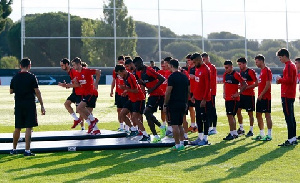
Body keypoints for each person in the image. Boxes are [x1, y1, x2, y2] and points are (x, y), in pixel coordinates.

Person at [9, 58, 46, 156]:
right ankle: (27, 150)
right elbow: (37, 91)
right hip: (30, 104)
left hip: (18, 104)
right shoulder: (32, 77)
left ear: (20, 66)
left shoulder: (15, 77)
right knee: (29, 127)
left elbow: (11, 91)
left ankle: (13, 149)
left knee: (17, 127)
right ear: (29, 66)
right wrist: (42, 105)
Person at [133, 56, 167, 143]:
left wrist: (152, 89)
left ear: (141, 63)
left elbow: (162, 79)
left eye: (137, 65)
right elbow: (146, 82)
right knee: (148, 115)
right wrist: (143, 84)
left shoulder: (149, 70)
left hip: (158, 94)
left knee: (146, 112)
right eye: (135, 66)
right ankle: (155, 136)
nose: (136, 67)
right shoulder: (138, 72)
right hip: (152, 95)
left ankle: (161, 126)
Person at [115, 64, 150, 141]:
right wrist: (126, 91)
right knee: (122, 114)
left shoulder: (131, 77)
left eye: (119, 73)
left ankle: (146, 135)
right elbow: (130, 88)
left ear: (123, 71)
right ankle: (133, 129)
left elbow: (136, 90)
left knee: (135, 118)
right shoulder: (125, 77)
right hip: (132, 99)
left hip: (138, 99)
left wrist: (124, 88)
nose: (119, 75)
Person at [163, 59, 189, 151]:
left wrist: (165, 104)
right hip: (183, 103)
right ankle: (181, 144)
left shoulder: (172, 77)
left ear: (171, 65)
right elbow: (188, 91)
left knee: (174, 125)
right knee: (180, 124)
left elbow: (168, 92)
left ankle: (177, 144)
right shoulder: (184, 76)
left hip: (174, 103)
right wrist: (186, 102)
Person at [71, 57, 101, 135]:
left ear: (78, 64)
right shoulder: (76, 73)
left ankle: (93, 122)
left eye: (74, 65)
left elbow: (98, 71)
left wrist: (96, 83)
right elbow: (78, 84)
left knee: (80, 108)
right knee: (82, 110)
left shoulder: (86, 71)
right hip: (86, 94)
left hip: (92, 93)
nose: (73, 67)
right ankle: (95, 128)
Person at [276, 48, 298, 146]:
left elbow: (289, 80)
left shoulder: (289, 65)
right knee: (291, 117)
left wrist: (280, 80)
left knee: (289, 117)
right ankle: (293, 138)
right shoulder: (290, 65)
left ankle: (291, 139)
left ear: (285, 56)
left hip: (287, 94)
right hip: (289, 94)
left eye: (280, 57)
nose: (280, 59)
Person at [189, 53, 212, 146]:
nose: (194, 64)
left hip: (204, 100)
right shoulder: (197, 69)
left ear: (199, 60)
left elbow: (208, 86)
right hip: (197, 98)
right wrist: (194, 95)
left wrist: (204, 99)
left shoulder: (206, 69)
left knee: (204, 118)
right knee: (198, 118)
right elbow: (197, 84)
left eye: (194, 62)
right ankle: (200, 137)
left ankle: (205, 139)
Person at [223, 60, 247, 140]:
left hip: (234, 99)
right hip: (228, 98)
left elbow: (244, 84)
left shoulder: (236, 74)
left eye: (227, 67)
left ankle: (232, 133)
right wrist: (224, 93)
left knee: (231, 116)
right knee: (230, 116)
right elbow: (224, 84)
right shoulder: (225, 75)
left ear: (231, 67)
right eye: (225, 68)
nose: (226, 69)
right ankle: (234, 133)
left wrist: (239, 93)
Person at [58, 58, 84, 130]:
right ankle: (76, 120)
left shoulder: (73, 71)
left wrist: (66, 85)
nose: (61, 67)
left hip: (79, 92)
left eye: (62, 65)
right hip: (75, 92)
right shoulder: (70, 72)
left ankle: (83, 127)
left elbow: (78, 84)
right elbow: (74, 83)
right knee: (67, 104)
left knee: (80, 110)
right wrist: (67, 85)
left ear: (66, 64)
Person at [252, 54, 273, 141]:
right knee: (258, 115)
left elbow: (268, 84)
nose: (256, 63)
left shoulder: (267, 70)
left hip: (265, 97)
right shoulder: (262, 71)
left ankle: (269, 135)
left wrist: (261, 95)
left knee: (267, 115)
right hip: (260, 97)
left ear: (261, 61)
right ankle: (261, 134)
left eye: (257, 62)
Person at [236, 57, 258, 137]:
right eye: (238, 65)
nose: (239, 66)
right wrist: (240, 87)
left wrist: (246, 87)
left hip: (250, 95)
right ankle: (241, 129)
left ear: (245, 63)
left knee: (250, 113)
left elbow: (256, 83)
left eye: (240, 64)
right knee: (238, 110)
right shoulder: (241, 72)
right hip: (242, 95)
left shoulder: (250, 71)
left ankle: (251, 130)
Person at [110, 56, 129, 132]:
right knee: (119, 110)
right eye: (120, 62)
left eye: (122, 62)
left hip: (126, 93)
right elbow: (114, 80)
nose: (121, 63)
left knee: (127, 111)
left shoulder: (127, 71)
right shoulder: (115, 71)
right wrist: (111, 90)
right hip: (118, 92)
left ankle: (127, 126)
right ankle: (121, 126)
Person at [202, 52, 218, 135]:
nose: (203, 61)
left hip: (211, 92)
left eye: (204, 59)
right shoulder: (203, 68)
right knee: (207, 110)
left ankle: (214, 128)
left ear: (208, 58)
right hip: (206, 92)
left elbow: (211, 80)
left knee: (212, 109)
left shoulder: (211, 67)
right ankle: (209, 127)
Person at [186, 54, 197, 133]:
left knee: (198, 108)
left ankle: (198, 126)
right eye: (187, 61)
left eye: (189, 60)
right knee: (190, 107)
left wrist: (194, 76)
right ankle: (193, 125)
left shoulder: (197, 67)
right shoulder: (190, 68)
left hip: (196, 90)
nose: (188, 62)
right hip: (191, 90)